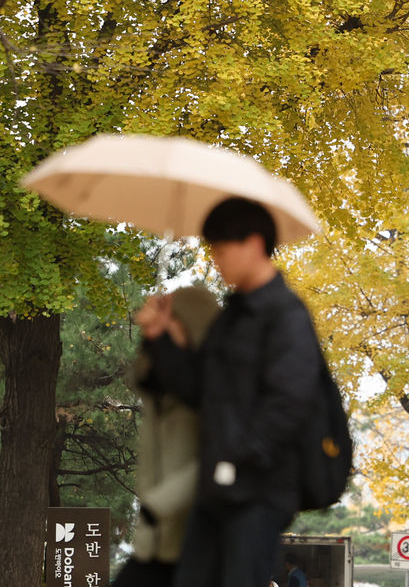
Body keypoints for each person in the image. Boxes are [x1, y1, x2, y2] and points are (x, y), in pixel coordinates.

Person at [136, 196, 322, 587]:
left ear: (254, 244)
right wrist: (159, 341)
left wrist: (235, 464)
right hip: (218, 489)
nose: (217, 260)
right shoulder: (232, 318)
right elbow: (199, 390)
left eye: (222, 249)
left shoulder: (286, 317)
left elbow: (288, 406)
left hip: (257, 493)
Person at [114, 284, 219, 587]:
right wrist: (152, 336)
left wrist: (158, 505)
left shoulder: (213, 385)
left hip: (194, 533)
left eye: (171, 320)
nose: (164, 326)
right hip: (158, 537)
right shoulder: (165, 384)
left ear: (193, 324)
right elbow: (143, 377)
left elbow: (217, 457)